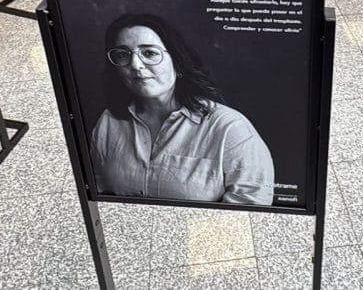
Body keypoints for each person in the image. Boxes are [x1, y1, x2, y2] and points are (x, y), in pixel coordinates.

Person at [90, 14, 275, 205]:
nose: (136, 65)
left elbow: (250, 214)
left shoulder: (230, 129)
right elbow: (101, 196)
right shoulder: (109, 122)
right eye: (123, 55)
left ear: (177, 62)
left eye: (149, 53)